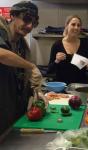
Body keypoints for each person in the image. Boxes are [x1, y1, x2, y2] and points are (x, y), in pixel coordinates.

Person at [0, 1, 43, 135]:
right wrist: (31, 66)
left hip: (12, 111)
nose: (30, 26)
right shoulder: (1, 31)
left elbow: (20, 77)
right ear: (13, 16)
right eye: (27, 19)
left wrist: (35, 92)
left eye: (34, 23)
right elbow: (2, 54)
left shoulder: (22, 45)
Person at [47, 15, 88, 84]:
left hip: (79, 87)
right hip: (62, 88)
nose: (76, 27)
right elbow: (49, 70)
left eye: (78, 25)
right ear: (67, 26)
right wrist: (56, 61)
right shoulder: (57, 45)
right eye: (73, 24)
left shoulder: (85, 45)